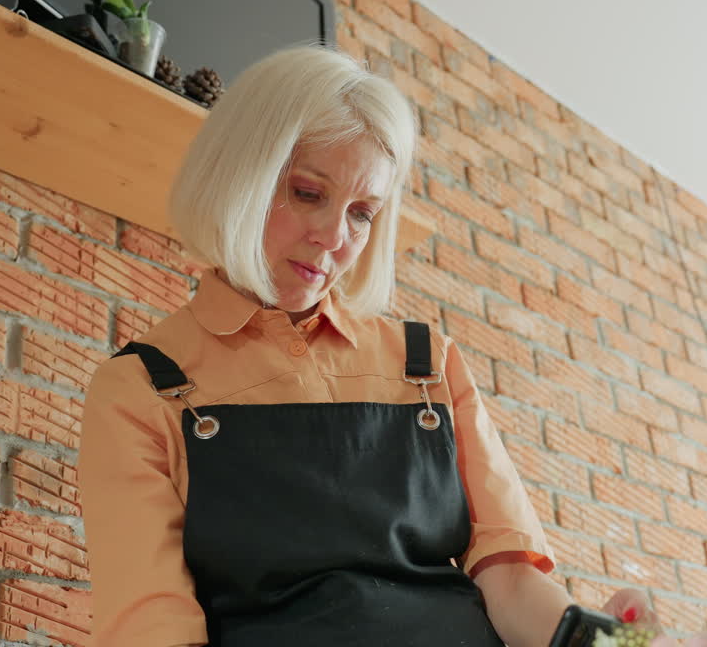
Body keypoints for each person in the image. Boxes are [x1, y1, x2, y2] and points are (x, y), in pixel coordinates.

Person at [77, 45, 675, 646]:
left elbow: (512, 584)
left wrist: (600, 643)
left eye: (363, 213)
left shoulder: (428, 363)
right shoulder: (143, 388)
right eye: (309, 193)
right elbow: (152, 630)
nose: (334, 236)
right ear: (239, 175)